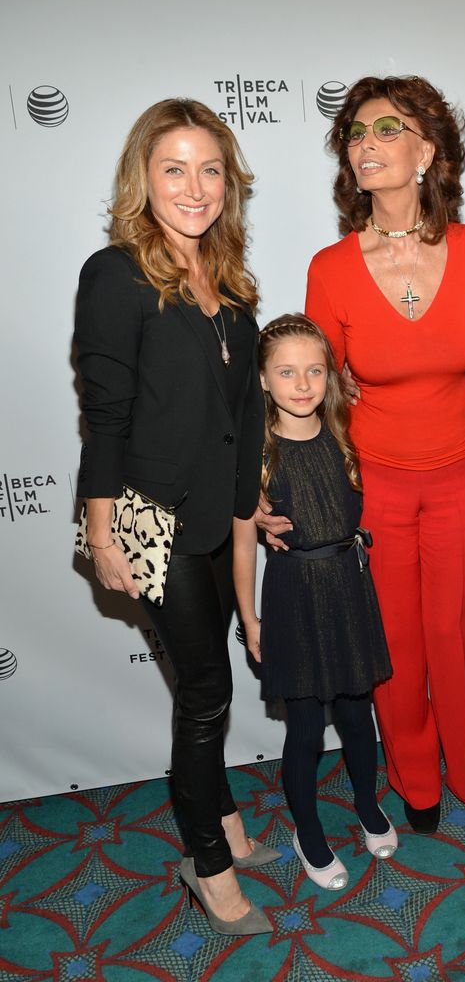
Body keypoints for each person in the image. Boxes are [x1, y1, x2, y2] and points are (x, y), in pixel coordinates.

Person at [74, 98, 278, 937]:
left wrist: (252, 499)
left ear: (228, 183)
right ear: (142, 179)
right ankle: (208, 861)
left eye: (210, 169)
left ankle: (222, 820)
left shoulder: (229, 286)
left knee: (203, 688)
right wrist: (101, 530)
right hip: (147, 520)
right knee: (205, 692)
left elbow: (238, 414)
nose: (194, 187)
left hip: (214, 522)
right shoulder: (116, 273)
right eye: (174, 168)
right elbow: (106, 416)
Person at [300, 75, 465, 833]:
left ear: (427, 152)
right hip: (376, 478)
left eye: (386, 129)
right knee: (395, 637)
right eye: (354, 133)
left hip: (462, 468)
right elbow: (321, 392)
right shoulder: (332, 267)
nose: (365, 144)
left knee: (458, 628)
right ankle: (416, 782)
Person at [233, 314, 396, 891]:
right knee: (304, 729)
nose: (302, 384)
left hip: (349, 587)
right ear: (262, 380)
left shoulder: (346, 431)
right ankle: (307, 829)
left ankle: (367, 804)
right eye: (286, 372)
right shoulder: (255, 450)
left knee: (357, 715)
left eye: (314, 370)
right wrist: (249, 616)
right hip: (293, 596)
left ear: (330, 376)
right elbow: (243, 544)